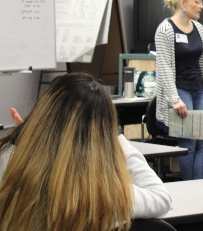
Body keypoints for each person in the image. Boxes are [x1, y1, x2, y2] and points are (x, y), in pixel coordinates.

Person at [0, 73, 171, 231]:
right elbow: (161, 198)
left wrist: (29, 142)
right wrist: (115, 139)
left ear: (43, 115)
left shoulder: (11, 167)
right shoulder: (105, 196)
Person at [155, 0, 203, 180]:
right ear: (183, 4)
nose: (201, 6)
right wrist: (175, 99)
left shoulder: (198, 29)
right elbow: (164, 67)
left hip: (198, 89)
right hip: (180, 91)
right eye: (197, 2)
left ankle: (199, 188)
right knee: (188, 144)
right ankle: (189, 190)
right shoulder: (165, 30)